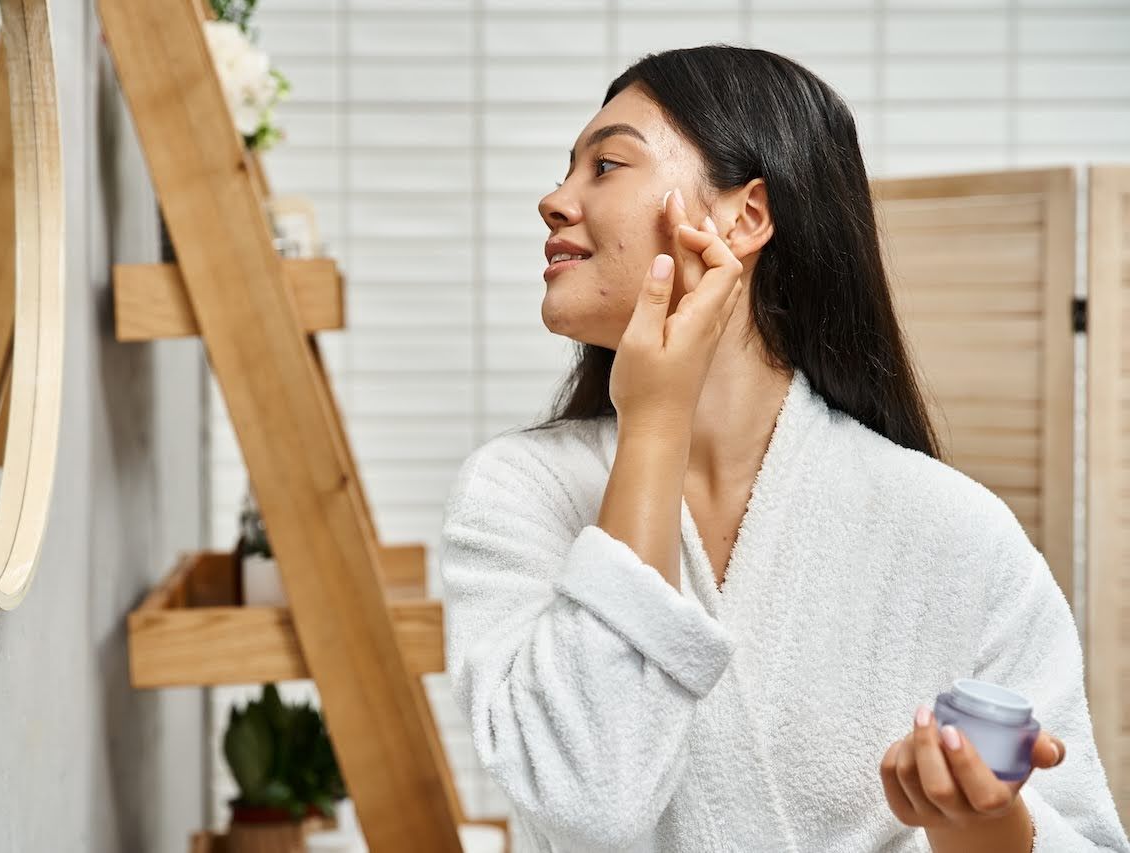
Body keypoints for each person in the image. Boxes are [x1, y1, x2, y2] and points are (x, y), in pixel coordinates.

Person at [437, 44, 1129, 853]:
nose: (554, 201)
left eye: (606, 165)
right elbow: (593, 799)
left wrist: (989, 827)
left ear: (746, 216)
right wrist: (653, 422)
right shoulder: (518, 494)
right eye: (567, 170)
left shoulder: (953, 531)